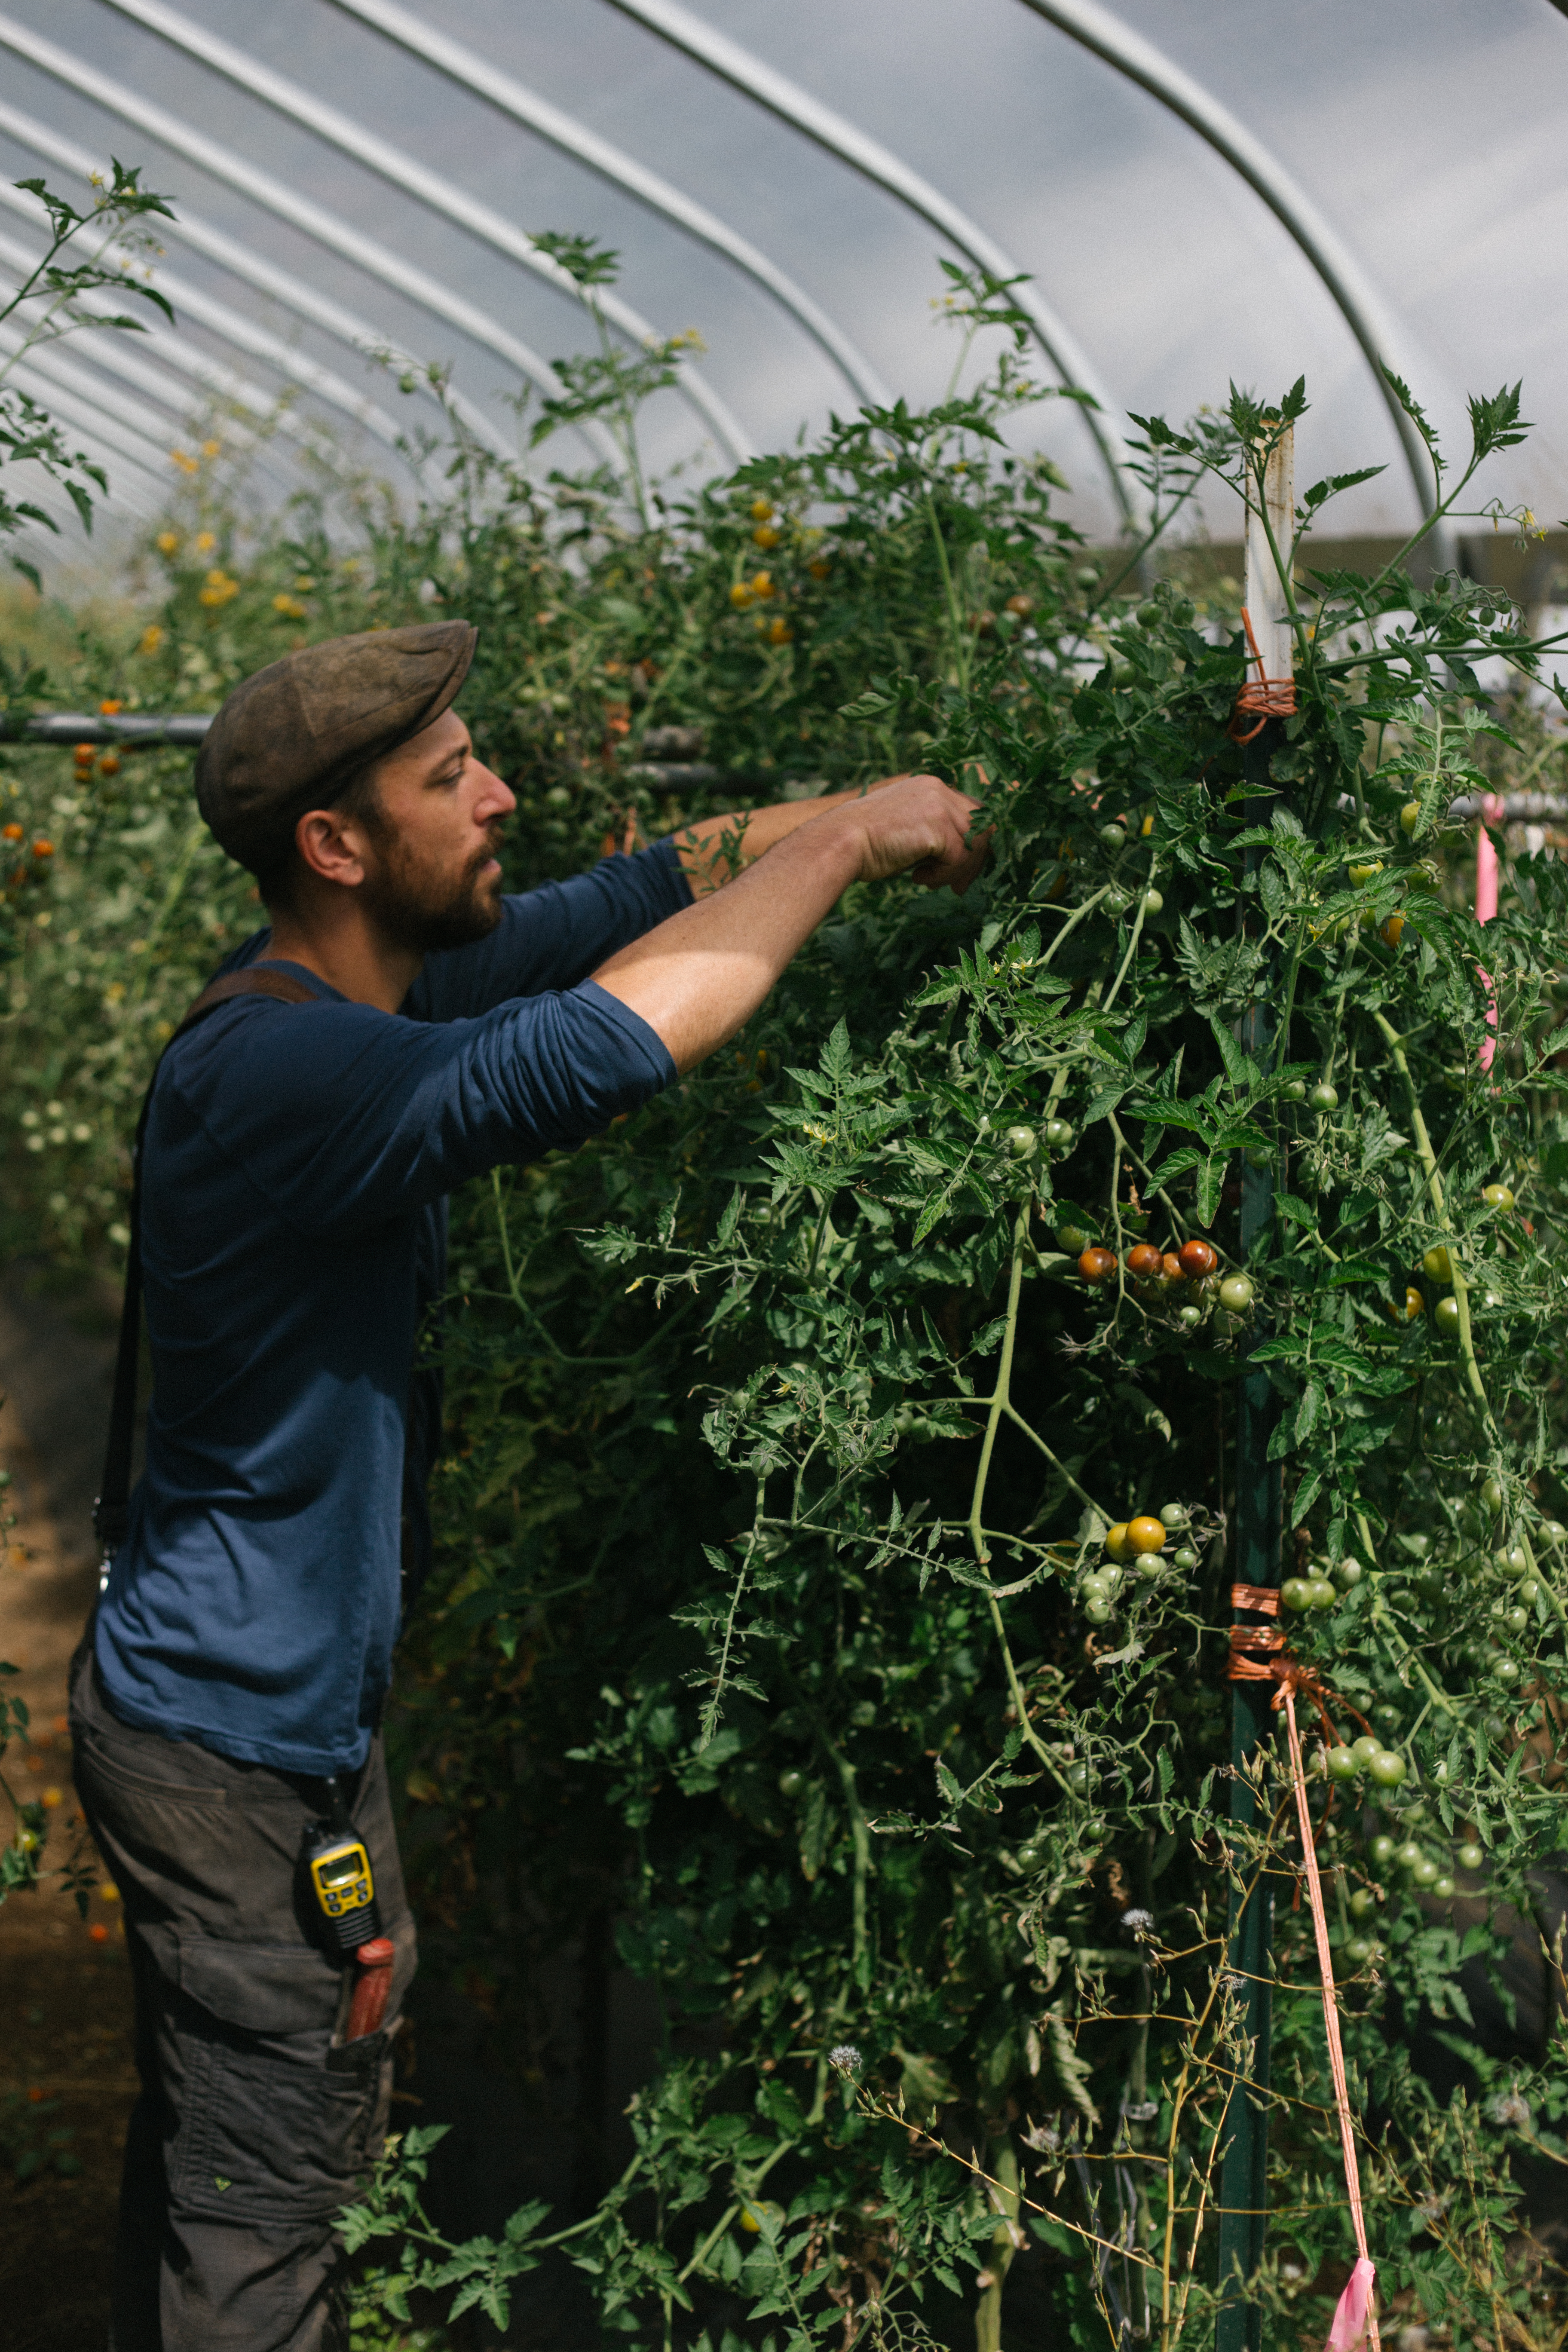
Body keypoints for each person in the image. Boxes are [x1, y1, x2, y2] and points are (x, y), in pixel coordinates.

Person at [69, 619, 983, 2352]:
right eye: (451, 779)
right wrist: (848, 844)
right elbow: (603, 1045)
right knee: (274, 2213)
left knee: (229, 2163)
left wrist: (852, 805)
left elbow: (635, 895)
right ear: (337, 847)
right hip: (239, 1754)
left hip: (255, 1721)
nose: (502, 795)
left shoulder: (355, 987)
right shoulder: (285, 1066)